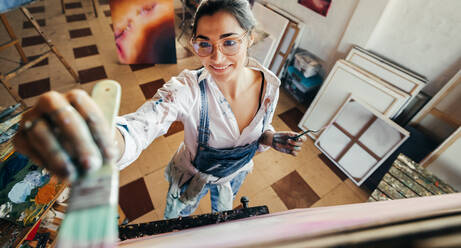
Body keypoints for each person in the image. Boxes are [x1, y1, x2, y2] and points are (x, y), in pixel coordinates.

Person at [13, 0, 307, 219]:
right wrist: (105, 140)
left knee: (225, 221)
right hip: (191, 179)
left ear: (250, 38)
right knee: (177, 224)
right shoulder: (189, 89)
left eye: (230, 42)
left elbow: (259, 129)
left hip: (237, 174)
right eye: (204, 44)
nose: (217, 59)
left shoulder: (270, 84)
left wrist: (269, 137)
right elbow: (143, 125)